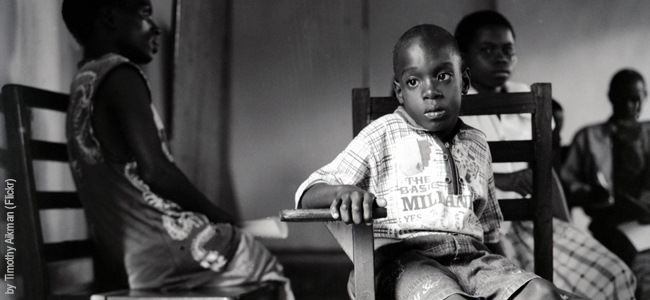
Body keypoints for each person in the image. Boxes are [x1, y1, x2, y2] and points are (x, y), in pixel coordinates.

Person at [295, 24, 562, 300]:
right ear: (399, 92)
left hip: (474, 259)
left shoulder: (476, 143)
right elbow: (307, 193)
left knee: (541, 293)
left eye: (443, 76)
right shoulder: (382, 133)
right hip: (406, 262)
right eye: (414, 82)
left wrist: (513, 280)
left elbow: (490, 228)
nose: (430, 91)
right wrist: (342, 192)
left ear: (465, 83)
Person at [61, 0, 293, 298]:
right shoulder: (120, 75)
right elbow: (156, 172)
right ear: (108, 16)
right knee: (262, 264)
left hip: (128, 254)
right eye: (145, 14)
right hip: (163, 250)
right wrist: (218, 215)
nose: (155, 26)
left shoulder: (84, 81)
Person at [456, 10, 637, 300]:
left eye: (508, 50)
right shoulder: (454, 105)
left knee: (615, 275)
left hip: (530, 223)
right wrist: (501, 180)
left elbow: (545, 173)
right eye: (487, 50)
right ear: (463, 56)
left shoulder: (528, 97)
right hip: (483, 231)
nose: (500, 57)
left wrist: (565, 225)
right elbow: (448, 174)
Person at [561, 69, 650, 300]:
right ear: (612, 97)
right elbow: (565, 185)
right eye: (629, 98)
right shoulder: (589, 137)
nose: (636, 106)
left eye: (641, 98)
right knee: (642, 272)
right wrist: (591, 193)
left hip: (647, 221)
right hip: (611, 224)